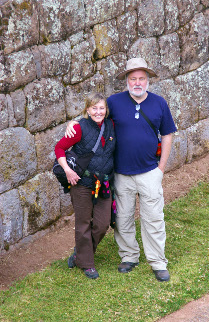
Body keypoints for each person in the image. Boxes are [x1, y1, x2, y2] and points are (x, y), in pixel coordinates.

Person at [65, 58, 177, 282]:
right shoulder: (114, 102)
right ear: (126, 80)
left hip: (149, 172)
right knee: (123, 219)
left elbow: (167, 134)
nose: (137, 82)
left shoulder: (159, 103)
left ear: (148, 80)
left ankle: (157, 261)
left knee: (153, 218)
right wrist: (73, 123)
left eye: (141, 78)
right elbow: (93, 113)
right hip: (121, 174)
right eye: (133, 78)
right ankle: (129, 256)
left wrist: (161, 168)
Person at [55, 92, 115, 279]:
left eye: (101, 108)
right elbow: (59, 148)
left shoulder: (111, 125)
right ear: (87, 109)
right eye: (94, 108)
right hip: (81, 183)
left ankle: (79, 254)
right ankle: (87, 263)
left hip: (103, 184)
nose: (98, 112)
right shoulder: (79, 128)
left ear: (106, 110)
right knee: (83, 224)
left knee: (102, 224)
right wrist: (67, 170)